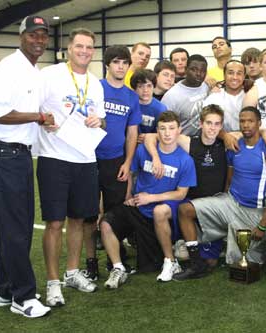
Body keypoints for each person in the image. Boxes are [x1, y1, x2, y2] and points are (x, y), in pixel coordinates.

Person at [172, 106, 266, 280]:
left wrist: (262, 224)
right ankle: (196, 263)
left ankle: (263, 242)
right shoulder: (234, 146)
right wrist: (219, 204)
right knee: (185, 210)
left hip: (254, 212)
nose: (246, 125)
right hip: (230, 202)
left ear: (259, 123)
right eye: (242, 121)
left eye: (250, 121)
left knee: (245, 263)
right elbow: (229, 181)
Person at [38, 27, 106, 307]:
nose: (84, 51)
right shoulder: (50, 75)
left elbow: (101, 120)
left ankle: (72, 272)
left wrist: (98, 122)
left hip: (85, 158)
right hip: (54, 158)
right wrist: (44, 119)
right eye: (80, 46)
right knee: (54, 222)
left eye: (89, 47)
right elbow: (33, 107)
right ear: (69, 48)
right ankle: (53, 283)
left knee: (78, 219)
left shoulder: (95, 83)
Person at [0, 15, 52, 318]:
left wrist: (45, 118)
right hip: (6, 155)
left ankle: (4, 289)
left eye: (43, 36)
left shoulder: (33, 71)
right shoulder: (7, 69)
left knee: (11, 226)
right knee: (16, 228)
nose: (39, 41)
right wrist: (38, 118)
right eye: (34, 35)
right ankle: (23, 297)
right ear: (21, 36)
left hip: (18, 155)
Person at [100, 111, 196, 288]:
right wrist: (128, 196)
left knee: (159, 211)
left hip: (164, 209)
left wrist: (151, 198)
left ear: (179, 131)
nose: (167, 133)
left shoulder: (186, 160)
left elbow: (181, 194)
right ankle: (118, 268)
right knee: (106, 223)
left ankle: (170, 261)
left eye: (171, 128)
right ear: (157, 131)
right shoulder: (144, 150)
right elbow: (131, 172)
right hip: (139, 205)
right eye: (162, 128)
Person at [82, 45, 142, 281]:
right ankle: (91, 262)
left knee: (114, 214)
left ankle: (114, 260)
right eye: (116, 62)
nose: (120, 66)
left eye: (124, 63)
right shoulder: (95, 88)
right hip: (89, 158)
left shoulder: (131, 96)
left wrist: (127, 162)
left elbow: (132, 133)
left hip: (116, 161)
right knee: (87, 213)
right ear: (107, 64)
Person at [145, 105, 228, 271]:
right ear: (200, 123)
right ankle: (174, 255)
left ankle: (211, 241)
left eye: (217, 124)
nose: (212, 128)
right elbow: (150, 136)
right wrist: (155, 157)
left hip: (214, 206)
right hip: (190, 202)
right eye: (209, 123)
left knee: (210, 262)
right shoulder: (189, 142)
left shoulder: (225, 144)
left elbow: (259, 132)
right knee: (162, 211)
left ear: (221, 126)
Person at [161, 54, 209, 136]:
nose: (198, 73)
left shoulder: (206, 86)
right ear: (186, 70)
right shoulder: (171, 96)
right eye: (194, 69)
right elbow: (163, 127)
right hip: (181, 142)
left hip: (203, 141)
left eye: (202, 70)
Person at [203, 60, 246, 132]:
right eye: (230, 73)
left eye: (239, 73)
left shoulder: (250, 96)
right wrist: (225, 136)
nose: (235, 77)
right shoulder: (213, 98)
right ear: (224, 75)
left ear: (244, 76)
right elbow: (206, 125)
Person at [131, 69, 168, 140]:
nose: (145, 90)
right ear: (134, 89)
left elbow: (164, 133)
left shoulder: (161, 109)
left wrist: (151, 137)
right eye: (140, 86)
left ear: (154, 87)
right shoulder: (129, 105)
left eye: (149, 86)